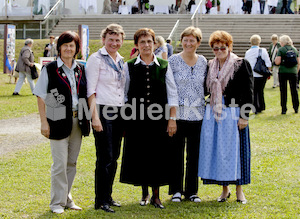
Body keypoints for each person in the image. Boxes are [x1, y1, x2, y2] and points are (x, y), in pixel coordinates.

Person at [120, 28, 178, 209]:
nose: (146, 45)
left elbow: (172, 93)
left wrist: (172, 119)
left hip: (159, 119)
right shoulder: (128, 66)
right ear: (136, 45)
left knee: (158, 155)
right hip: (136, 119)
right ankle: (144, 194)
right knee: (140, 154)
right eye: (142, 42)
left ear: (155, 44)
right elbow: (123, 94)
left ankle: (156, 195)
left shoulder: (163, 65)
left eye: (149, 42)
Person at [33, 31, 90, 214]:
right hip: (57, 119)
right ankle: (56, 203)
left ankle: (66, 198)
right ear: (59, 48)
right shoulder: (50, 69)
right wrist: (44, 123)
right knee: (59, 164)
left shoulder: (81, 69)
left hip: (78, 120)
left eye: (72, 45)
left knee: (71, 163)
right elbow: (41, 96)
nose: (68, 48)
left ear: (76, 49)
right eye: (65, 45)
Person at [198, 30, 254, 204]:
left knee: (236, 152)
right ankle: (225, 189)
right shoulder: (210, 65)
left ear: (229, 46)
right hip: (214, 112)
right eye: (215, 48)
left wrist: (244, 116)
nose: (219, 51)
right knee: (219, 152)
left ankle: (239, 191)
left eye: (222, 47)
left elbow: (248, 92)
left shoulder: (240, 63)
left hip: (233, 112)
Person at [86, 24, 126, 213]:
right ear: (104, 40)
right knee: (105, 157)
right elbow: (90, 91)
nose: (114, 43)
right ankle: (100, 200)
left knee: (115, 156)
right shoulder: (96, 59)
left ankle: (108, 196)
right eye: (111, 39)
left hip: (119, 112)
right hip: (102, 111)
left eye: (118, 40)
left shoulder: (121, 60)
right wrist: (95, 117)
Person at [168, 26, 207, 203]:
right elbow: (169, 89)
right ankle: (176, 190)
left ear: (198, 43)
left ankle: (192, 191)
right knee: (176, 154)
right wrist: (172, 117)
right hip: (178, 114)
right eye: (186, 39)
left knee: (194, 155)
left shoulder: (204, 62)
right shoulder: (173, 61)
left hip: (198, 115)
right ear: (181, 41)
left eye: (192, 40)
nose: (188, 43)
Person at [245, 34, 271, 114]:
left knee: (254, 91)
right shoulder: (263, 50)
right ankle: (261, 106)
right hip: (261, 74)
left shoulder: (248, 52)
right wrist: (269, 71)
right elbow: (268, 62)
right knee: (260, 90)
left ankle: (255, 107)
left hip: (252, 75)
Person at [275, 35, 299, 114]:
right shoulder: (295, 49)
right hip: (293, 72)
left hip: (283, 72)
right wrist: (296, 70)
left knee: (283, 91)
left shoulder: (281, 49)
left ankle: (284, 109)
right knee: (294, 90)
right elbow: (298, 62)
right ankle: (296, 108)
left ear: (282, 42)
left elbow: (277, 62)